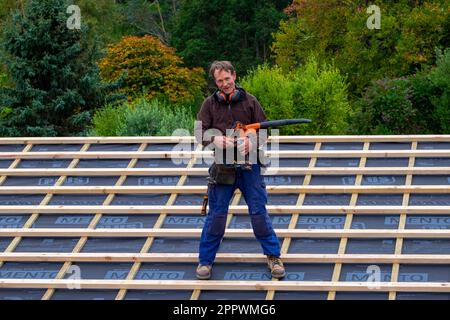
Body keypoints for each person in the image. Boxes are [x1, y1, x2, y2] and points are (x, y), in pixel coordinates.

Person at [194, 61, 285, 280]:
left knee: (258, 214)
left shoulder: (250, 101)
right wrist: (214, 137)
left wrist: (252, 142)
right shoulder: (209, 104)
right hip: (222, 168)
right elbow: (199, 133)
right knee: (216, 216)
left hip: (250, 167)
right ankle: (205, 261)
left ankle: (273, 256)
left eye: (227, 79)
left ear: (234, 76)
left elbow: (265, 132)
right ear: (215, 83)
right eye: (219, 81)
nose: (224, 84)